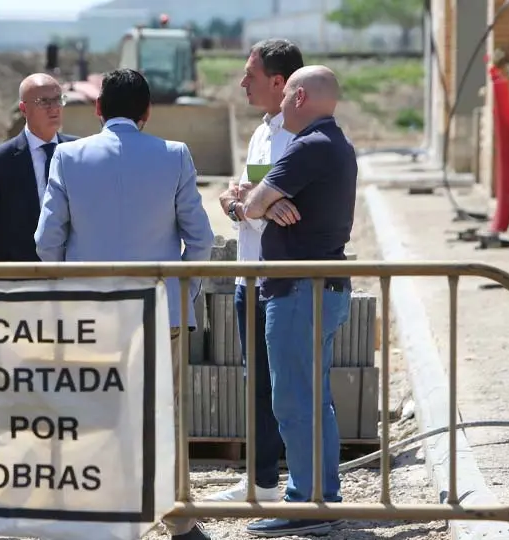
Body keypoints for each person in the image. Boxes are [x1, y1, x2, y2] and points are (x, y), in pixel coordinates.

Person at [34, 68, 216, 540]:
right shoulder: (174, 156)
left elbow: (46, 239)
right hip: (160, 312)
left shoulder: (69, 156)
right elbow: (201, 239)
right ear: (148, 111)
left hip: (89, 314)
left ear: (97, 108)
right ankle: (177, 520)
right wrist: (184, 292)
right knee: (164, 415)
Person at [241, 65, 356, 538]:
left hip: (296, 291)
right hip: (320, 288)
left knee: (292, 401)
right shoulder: (337, 144)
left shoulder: (309, 145)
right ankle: (322, 497)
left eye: (287, 94)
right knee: (314, 401)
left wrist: (259, 200)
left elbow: (250, 204)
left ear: (301, 96)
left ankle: (304, 503)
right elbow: (259, 201)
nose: (281, 102)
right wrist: (265, 200)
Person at [211, 39, 303, 505]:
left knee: (291, 388)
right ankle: (262, 480)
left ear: (279, 82)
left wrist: (248, 201)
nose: (242, 82)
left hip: (283, 283)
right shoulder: (262, 134)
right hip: (250, 275)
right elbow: (240, 200)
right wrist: (243, 202)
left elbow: (261, 203)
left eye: (250, 74)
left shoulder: (300, 140)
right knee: (257, 383)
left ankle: (305, 490)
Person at [0, 73, 78, 262]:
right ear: (23, 109)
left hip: (71, 276)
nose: (54, 108)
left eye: (57, 100)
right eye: (44, 101)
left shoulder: (78, 152)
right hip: (18, 278)